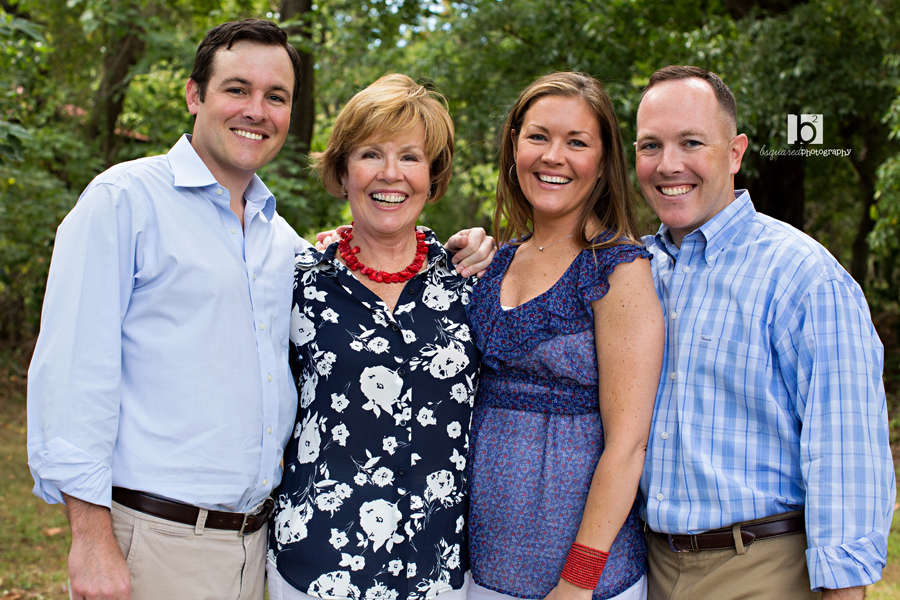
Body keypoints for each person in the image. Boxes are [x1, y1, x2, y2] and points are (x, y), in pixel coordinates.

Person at [26, 21, 494, 600]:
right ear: (195, 94)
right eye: (237, 89)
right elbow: (73, 375)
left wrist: (473, 250)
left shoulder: (284, 246)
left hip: (260, 547)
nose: (256, 110)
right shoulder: (126, 201)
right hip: (162, 534)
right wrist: (90, 539)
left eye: (276, 96)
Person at [634, 65, 895, 600]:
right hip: (648, 568)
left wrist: (844, 588)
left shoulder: (804, 276)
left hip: (764, 569)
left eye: (691, 143)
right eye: (650, 145)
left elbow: (844, 452)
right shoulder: (633, 271)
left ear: (735, 153)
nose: (668, 164)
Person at [266, 74, 480, 600]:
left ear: (433, 175)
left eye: (410, 157)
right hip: (316, 564)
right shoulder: (295, 281)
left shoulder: (473, 281)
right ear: (343, 172)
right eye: (370, 154)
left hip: (438, 570)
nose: (391, 174)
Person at [465, 72, 664, 600]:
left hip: (583, 583)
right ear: (514, 146)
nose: (553, 156)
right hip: (479, 570)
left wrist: (577, 583)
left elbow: (628, 445)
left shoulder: (617, 267)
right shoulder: (496, 260)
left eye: (577, 142)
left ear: (602, 161)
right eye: (538, 136)